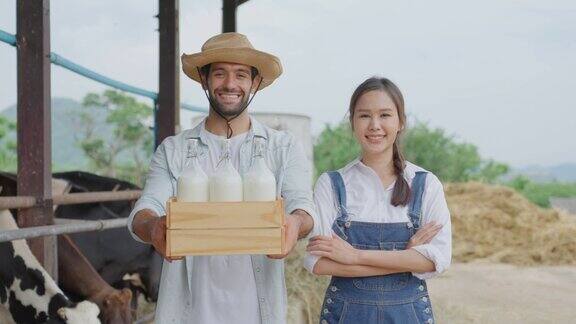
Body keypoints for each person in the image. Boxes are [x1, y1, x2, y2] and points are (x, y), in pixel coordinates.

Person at [127, 32, 315, 324]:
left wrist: (295, 223)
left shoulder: (282, 147)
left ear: (255, 83)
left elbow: (303, 206)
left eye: (241, 74)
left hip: (257, 311)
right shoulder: (175, 150)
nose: (230, 84)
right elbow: (146, 208)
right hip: (190, 312)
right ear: (204, 79)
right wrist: (153, 227)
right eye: (219, 74)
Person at [305, 77, 452, 324]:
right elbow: (317, 262)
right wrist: (406, 257)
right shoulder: (330, 184)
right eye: (364, 116)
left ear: (401, 122)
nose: (375, 125)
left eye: (385, 115)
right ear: (352, 122)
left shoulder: (426, 184)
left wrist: (354, 256)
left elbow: (436, 259)